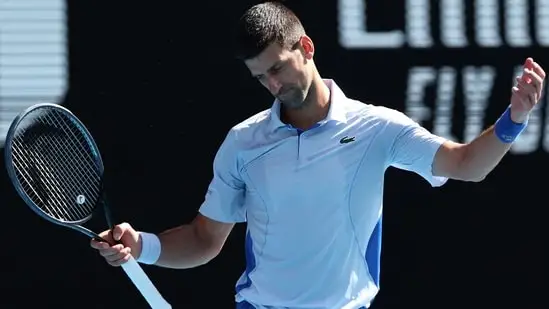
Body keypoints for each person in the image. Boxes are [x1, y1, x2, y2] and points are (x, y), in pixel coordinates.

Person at [90, 2, 545, 308]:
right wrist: (142, 245)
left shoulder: (376, 127)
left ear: (306, 47)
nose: (272, 85)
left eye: (276, 69)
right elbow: (204, 240)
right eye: (259, 77)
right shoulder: (242, 143)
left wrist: (514, 119)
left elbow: (467, 165)